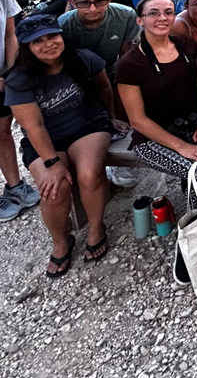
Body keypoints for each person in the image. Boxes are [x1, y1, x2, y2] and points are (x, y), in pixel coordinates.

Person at [4, 14, 117, 274]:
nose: (48, 44)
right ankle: (60, 241)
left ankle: (97, 227)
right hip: (44, 139)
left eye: (52, 36)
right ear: (26, 46)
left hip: (87, 126)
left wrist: (112, 118)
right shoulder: (19, 79)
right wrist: (52, 163)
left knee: (89, 174)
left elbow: (105, 88)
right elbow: (34, 126)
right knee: (54, 187)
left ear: (61, 35)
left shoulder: (82, 58)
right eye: (37, 41)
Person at [116, 0, 197, 206]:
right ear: (140, 20)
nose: (162, 18)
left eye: (168, 12)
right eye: (153, 13)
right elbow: (137, 120)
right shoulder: (130, 64)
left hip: (195, 125)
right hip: (153, 138)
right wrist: (181, 147)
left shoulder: (184, 44)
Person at [0, 0, 39, 223]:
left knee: (3, 132)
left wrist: (9, 70)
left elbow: (9, 33)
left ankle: (14, 185)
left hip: (3, 76)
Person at [58, 0, 138, 75]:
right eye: (84, 2)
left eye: (99, 1)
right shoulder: (64, 23)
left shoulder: (126, 15)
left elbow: (126, 56)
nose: (92, 9)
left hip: (114, 71)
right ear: (73, 3)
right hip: (78, 74)